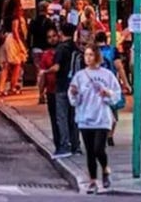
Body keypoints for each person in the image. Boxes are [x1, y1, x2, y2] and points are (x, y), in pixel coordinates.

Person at [68, 42, 122, 193]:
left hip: (101, 116)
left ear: (97, 56)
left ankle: (105, 169)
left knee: (99, 148)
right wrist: (73, 94)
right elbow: (74, 99)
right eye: (86, 55)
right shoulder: (79, 76)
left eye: (91, 55)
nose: (88, 58)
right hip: (85, 117)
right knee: (90, 151)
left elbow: (116, 94)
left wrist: (108, 94)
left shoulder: (107, 75)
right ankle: (93, 180)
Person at [49, 21, 82, 158]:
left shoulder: (60, 48)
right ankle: (76, 145)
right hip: (75, 86)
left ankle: (64, 145)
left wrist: (45, 71)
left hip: (62, 85)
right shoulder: (77, 48)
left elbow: (56, 67)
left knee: (61, 117)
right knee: (74, 118)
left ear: (61, 33)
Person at [94, 30, 131, 146]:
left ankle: (101, 135)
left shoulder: (92, 52)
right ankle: (109, 135)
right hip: (111, 85)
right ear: (106, 39)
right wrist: (126, 83)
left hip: (95, 86)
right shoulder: (112, 50)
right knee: (113, 112)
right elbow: (119, 68)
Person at [0, 0, 29, 96]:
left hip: (5, 40)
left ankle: (0, 88)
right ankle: (13, 87)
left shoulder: (5, 16)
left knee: (5, 66)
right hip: (13, 41)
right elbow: (15, 31)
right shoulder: (15, 17)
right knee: (17, 64)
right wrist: (21, 45)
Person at [38, 25, 62, 148]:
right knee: (54, 119)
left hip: (62, 90)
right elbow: (42, 75)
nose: (52, 39)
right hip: (51, 91)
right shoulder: (45, 55)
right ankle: (58, 143)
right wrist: (41, 92)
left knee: (64, 118)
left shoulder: (62, 51)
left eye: (54, 36)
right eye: (49, 37)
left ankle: (65, 141)